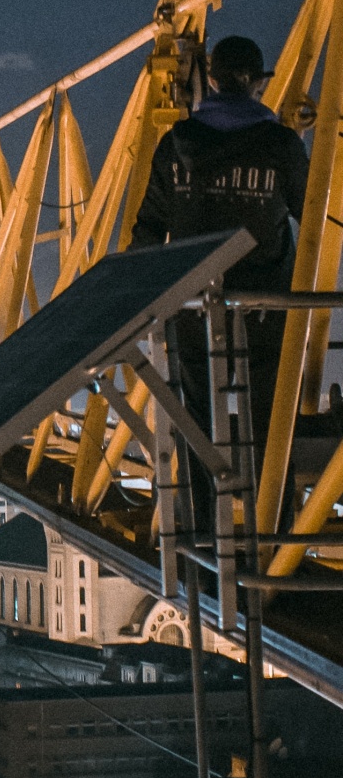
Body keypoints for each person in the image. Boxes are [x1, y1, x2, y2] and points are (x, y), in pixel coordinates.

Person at [127, 34, 310, 528]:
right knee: (271, 421)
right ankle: (273, 533)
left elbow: (147, 229)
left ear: (210, 80)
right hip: (267, 309)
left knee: (196, 421)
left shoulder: (175, 145)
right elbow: (313, 221)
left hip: (192, 307)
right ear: (257, 85)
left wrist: (133, 304)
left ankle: (205, 537)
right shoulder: (281, 146)